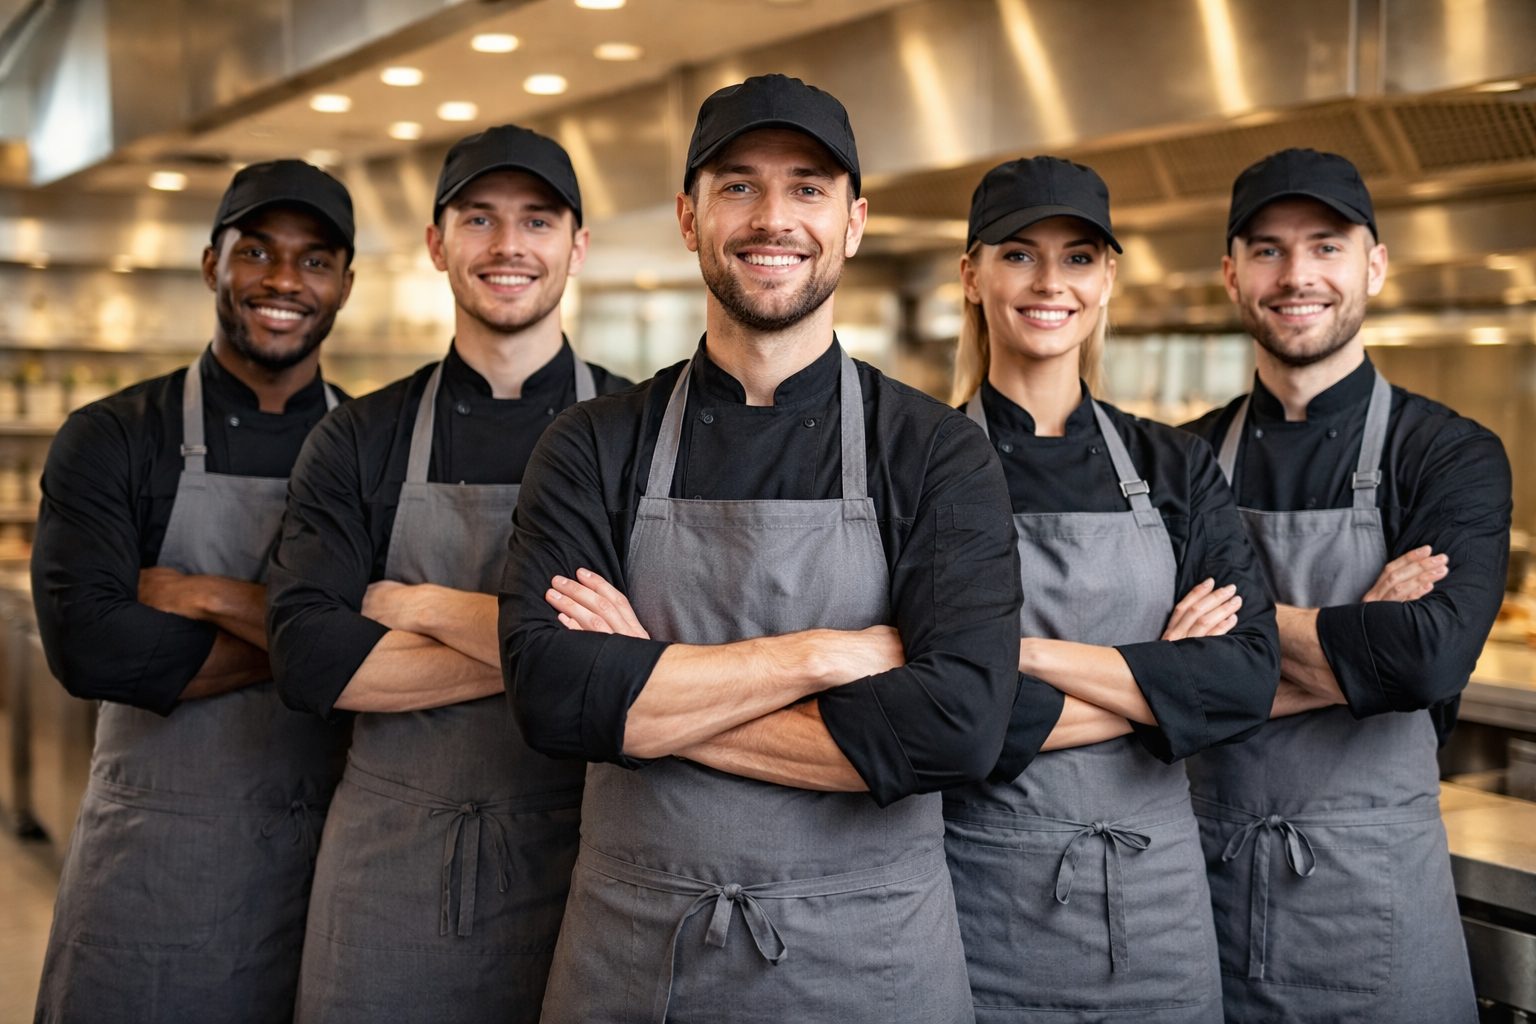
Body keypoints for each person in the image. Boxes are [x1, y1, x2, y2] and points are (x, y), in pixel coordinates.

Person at [500, 74, 1021, 1024]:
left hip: (872, 957)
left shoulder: (937, 450)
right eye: (737, 185)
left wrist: (649, 693)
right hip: (634, 949)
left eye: (808, 188)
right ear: (688, 219)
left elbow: (960, 725)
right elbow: (552, 694)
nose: (772, 218)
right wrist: (820, 657)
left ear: (854, 223)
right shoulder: (590, 442)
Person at [266, 126, 628, 1024]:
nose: (508, 246)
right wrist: (564, 656)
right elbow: (310, 659)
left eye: (537, 220)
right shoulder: (359, 435)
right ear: (437, 244)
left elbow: (668, 646)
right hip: (391, 865)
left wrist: (415, 606)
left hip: (595, 860)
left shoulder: (638, 432)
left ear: (576, 247)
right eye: (479, 218)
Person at [938, 156, 1279, 1024]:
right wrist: (1162, 679)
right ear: (971, 275)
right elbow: (940, 713)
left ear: (1108, 279)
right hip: (979, 899)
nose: (1050, 281)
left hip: (1160, 903)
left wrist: (1020, 657)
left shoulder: (1176, 464)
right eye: (1019, 254)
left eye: (1079, 257)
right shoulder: (919, 460)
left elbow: (1242, 678)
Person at [1181, 148, 1509, 1023]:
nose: (1297, 276)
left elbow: (1424, 665)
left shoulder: (1449, 454)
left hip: (1378, 909)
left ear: (1374, 264)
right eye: (1268, 249)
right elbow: (1145, 662)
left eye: (1326, 246)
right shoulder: (1177, 462)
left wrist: (1229, 640)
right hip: (1192, 897)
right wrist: (1354, 635)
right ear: (1231, 273)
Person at [31, 160, 356, 1024]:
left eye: (316, 259)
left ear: (346, 285)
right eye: (257, 251)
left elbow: (377, 640)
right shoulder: (112, 437)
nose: (284, 280)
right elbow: (93, 647)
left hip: (333, 864)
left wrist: (210, 597)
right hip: (155, 870)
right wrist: (321, 641)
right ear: (213, 264)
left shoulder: (373, 448)